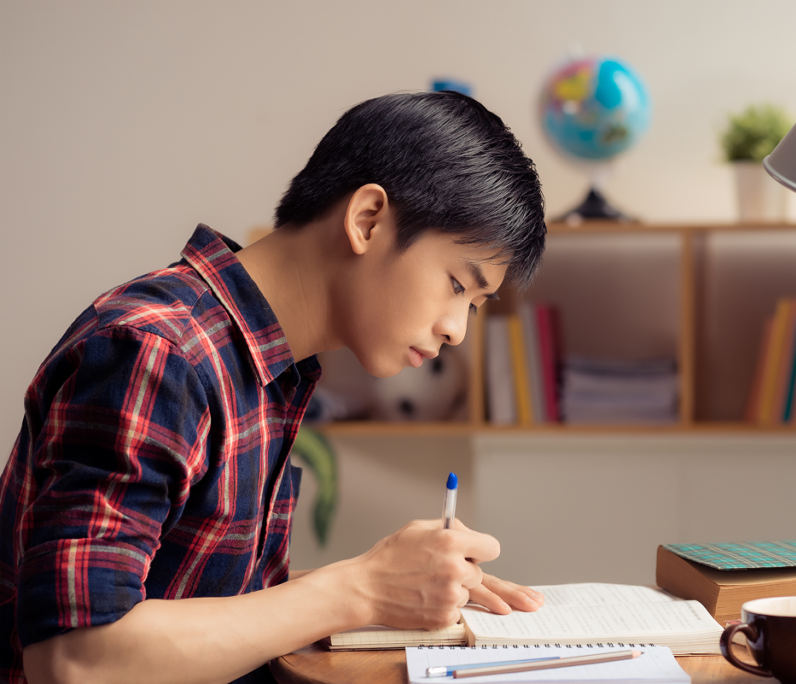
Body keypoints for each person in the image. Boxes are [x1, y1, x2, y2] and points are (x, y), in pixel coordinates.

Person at [0, 91, 548, 684]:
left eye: (475, 304)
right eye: (456, 285)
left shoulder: (266, 366)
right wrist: (358, 590)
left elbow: (203, 608)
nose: (456, 329)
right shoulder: (159, 353)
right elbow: (74, 660)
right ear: (367, 220)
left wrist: (394, 587)